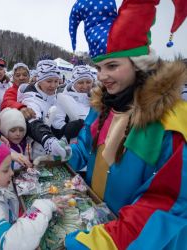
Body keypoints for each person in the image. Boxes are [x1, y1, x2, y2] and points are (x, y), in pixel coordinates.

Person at [65, 0, 187, 249]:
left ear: (139, 64)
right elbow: (85, 148)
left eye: (112, 66)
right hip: (98, 221)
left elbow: (164, 205)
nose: (101, 76)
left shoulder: (169, 123)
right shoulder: (103, 105)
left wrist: (103, 242)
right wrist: (66, 153)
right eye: (98, 67)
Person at [17, 59, 72, 160]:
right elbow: (34, 123)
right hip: (34, 152)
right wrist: (48, 140)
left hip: (53, 154)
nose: (53, 85)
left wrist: (68, 129)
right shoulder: (31, 99)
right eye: (49, 81)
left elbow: (59, 123)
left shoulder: (56, 98)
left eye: (56, 81)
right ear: (40, 80)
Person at [51, 65, 93, 142]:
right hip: (74, 146)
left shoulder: (96, 99)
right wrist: (73, 127)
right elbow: (57, 126)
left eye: (88, 82)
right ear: (74, 83)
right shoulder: (63, 99)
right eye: (80, 82)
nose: (85, 86)